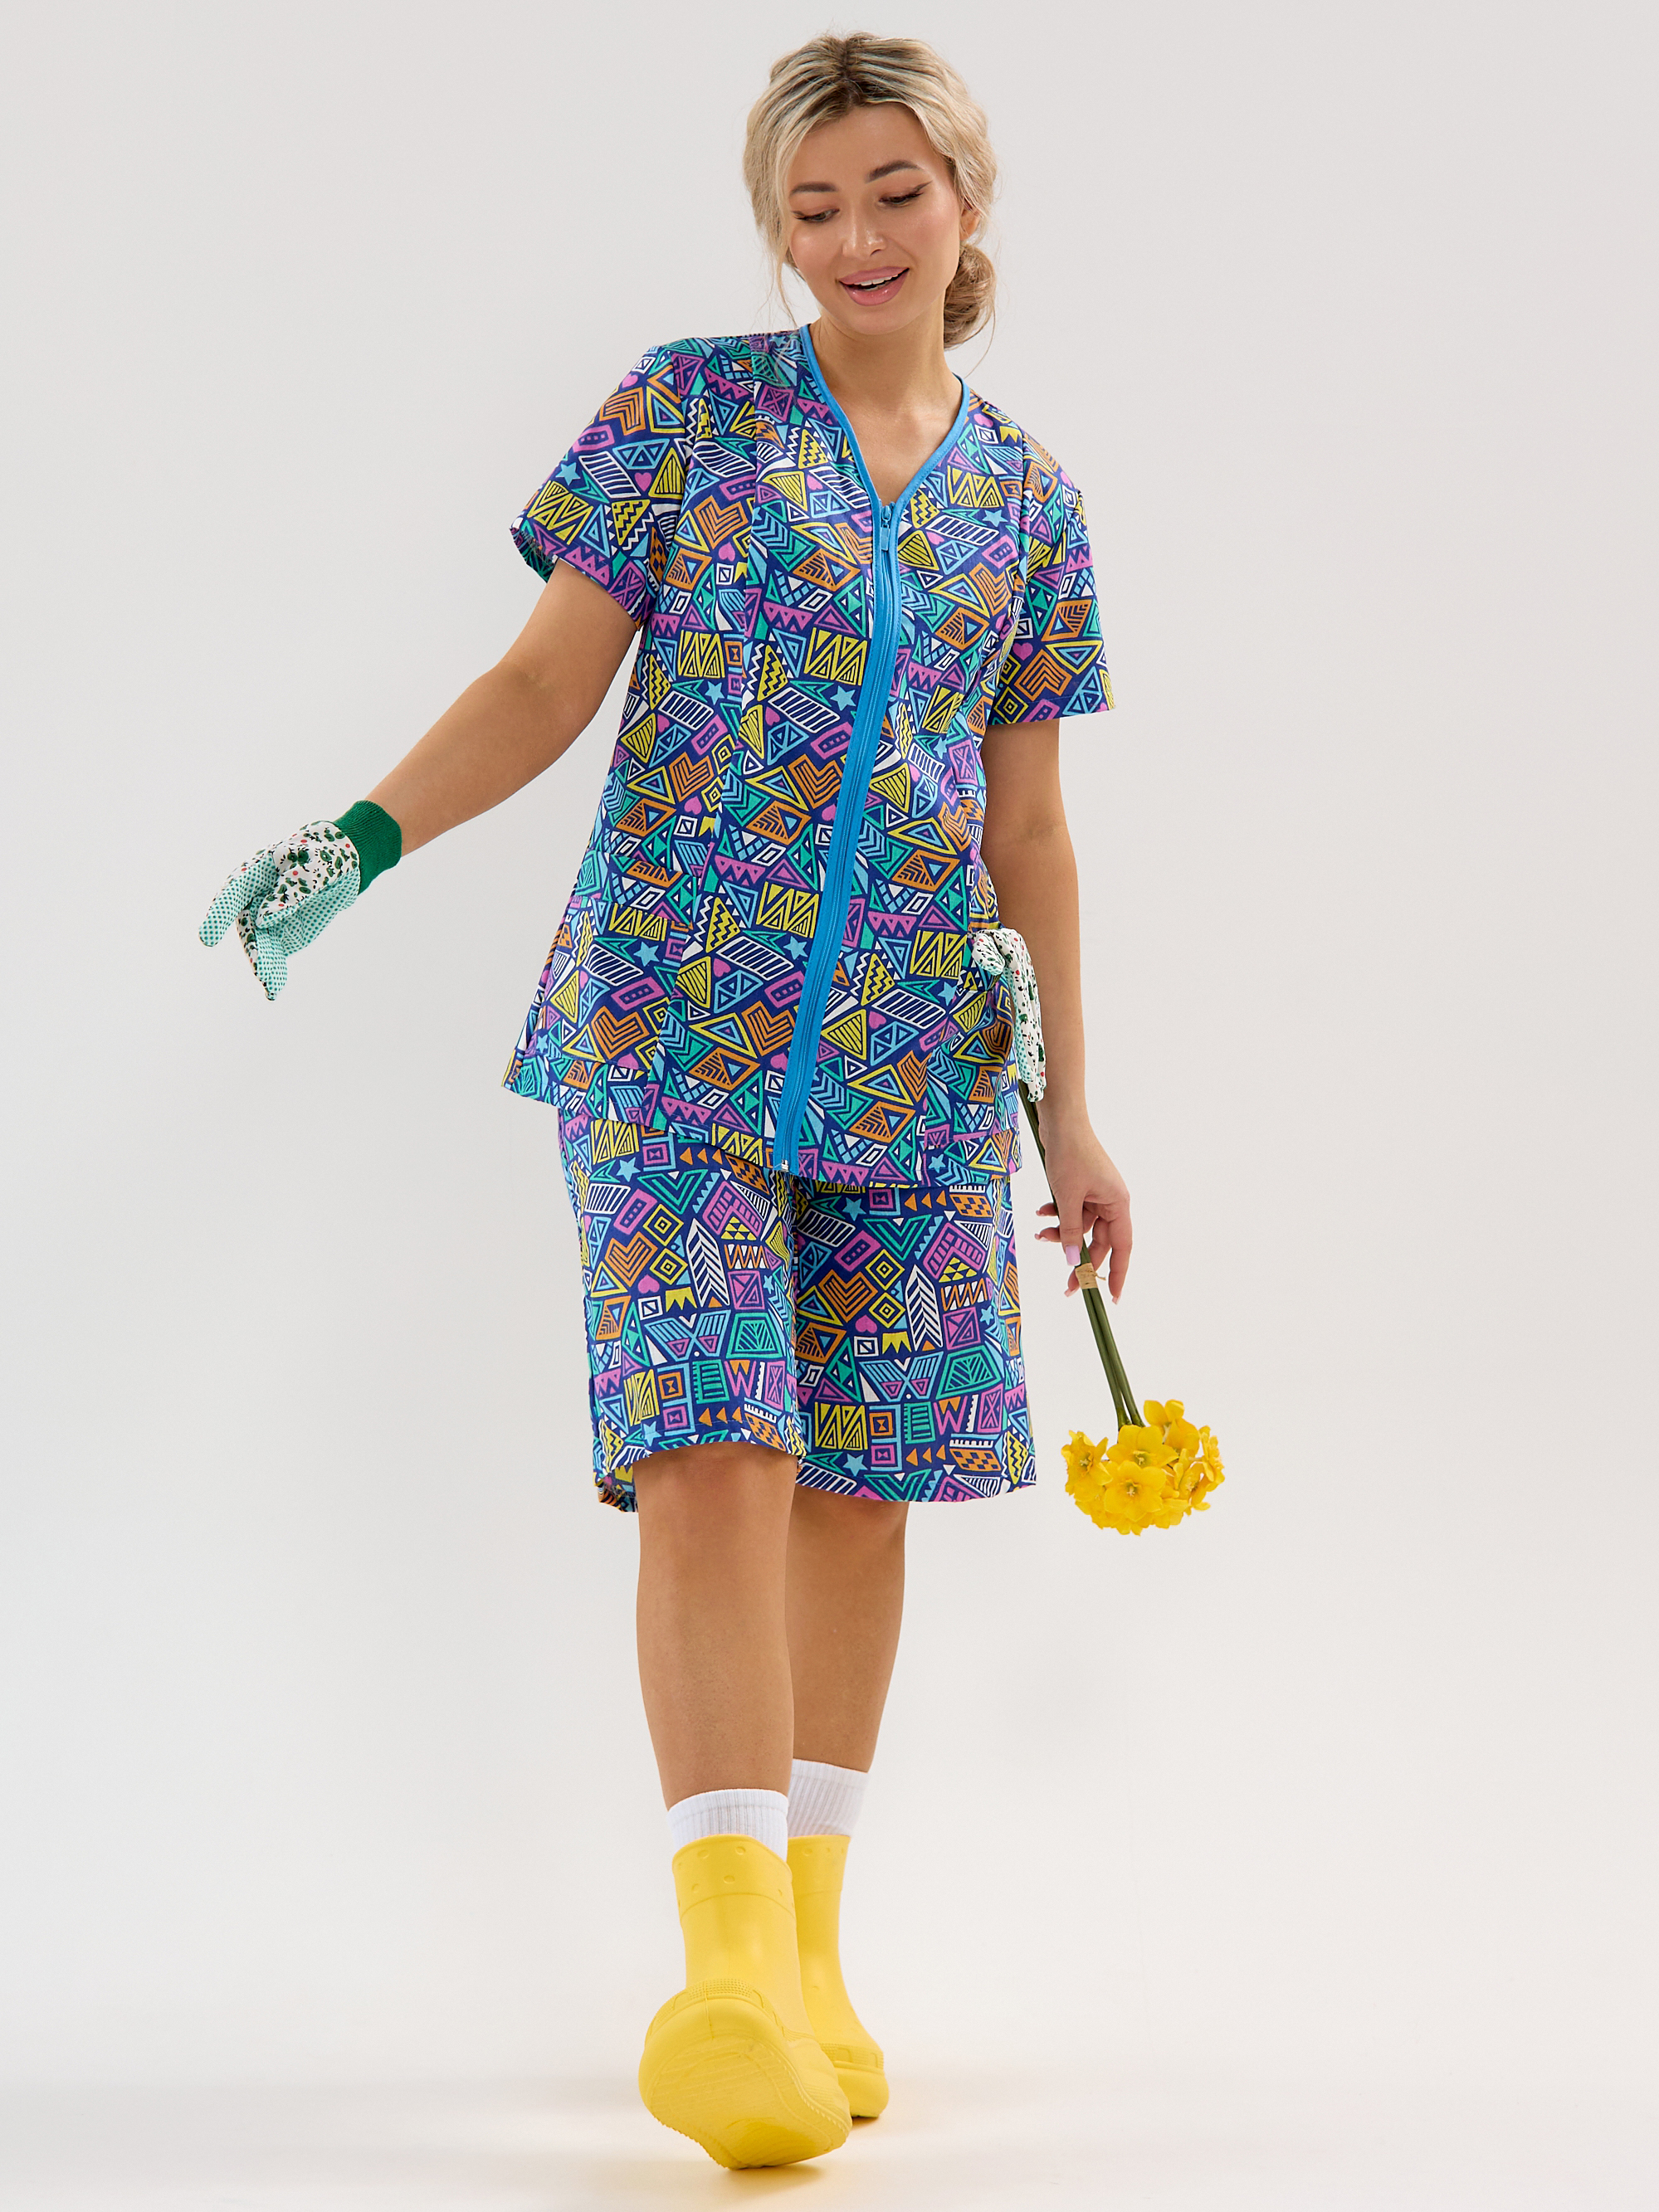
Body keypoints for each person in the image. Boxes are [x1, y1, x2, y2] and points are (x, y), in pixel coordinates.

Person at [200, 31, 1132, 2171]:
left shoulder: (1031, 508)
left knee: (863, 1488)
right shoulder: (691, 414)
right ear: (773, 232)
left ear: (966, 202)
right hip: (668, 1035)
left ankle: (807, 1956)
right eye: (812, 208)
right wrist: (357, 840)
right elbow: (547, 679)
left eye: (892, 193)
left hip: (918, 1066)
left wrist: (1074, 1113)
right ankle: (720, 1974)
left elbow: (1032, 828)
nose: (855, 239)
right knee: (716, 1445)